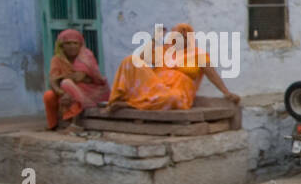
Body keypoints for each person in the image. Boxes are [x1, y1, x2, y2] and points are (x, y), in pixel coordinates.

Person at [106, 22, 239, 112]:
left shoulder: (199, 54)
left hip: (177, 92)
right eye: (178, 34)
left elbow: (213, 75)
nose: (181, 38)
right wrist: (155, 39)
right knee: (130, 60)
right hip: (155, 87)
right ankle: (125, 99)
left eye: (185, 35)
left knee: (172, 98)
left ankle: (130, 104)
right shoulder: (164, 50)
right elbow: (140, 59)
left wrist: (226, 93)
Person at [43, 29, 109, 129]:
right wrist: (62, 92)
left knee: (67, 84)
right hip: (66, 91)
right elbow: (52, 80)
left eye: (75, 43)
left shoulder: (86, 56)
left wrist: (63, 79)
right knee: (49, 95)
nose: (72, 46)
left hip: (90, 91)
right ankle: (53, 125)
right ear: (62, 46)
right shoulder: (57, 59)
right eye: (68, 43)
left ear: (80, 45)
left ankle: (72, 120)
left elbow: (81, 78)